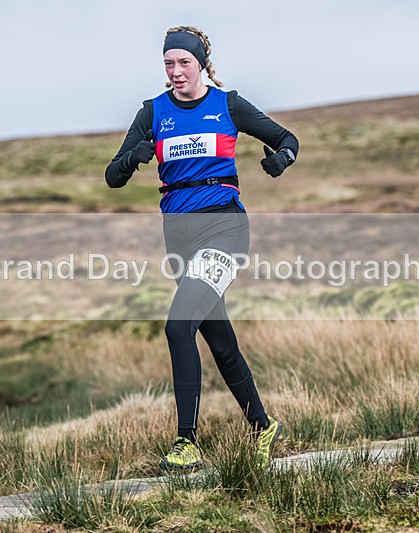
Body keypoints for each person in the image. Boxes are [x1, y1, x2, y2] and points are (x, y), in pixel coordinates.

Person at [105, 25, 298, 470]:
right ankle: (262, 426)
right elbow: (112, 176)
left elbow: (288, 139)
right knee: (218, 337)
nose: (175, 72)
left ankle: (186, 441)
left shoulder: (227, 105)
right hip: (179, 236)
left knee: (178, 327)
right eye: (168, 64)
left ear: (201, 64)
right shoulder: (152, 113)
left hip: (223, 229)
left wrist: (278, 160)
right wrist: (132, 158)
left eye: (183, 63)